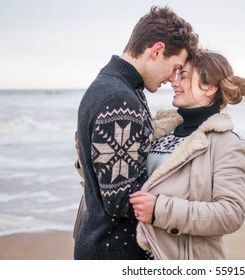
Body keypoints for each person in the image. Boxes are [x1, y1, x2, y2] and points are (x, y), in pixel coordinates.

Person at [74, 6, 199, 260]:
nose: (172, 78)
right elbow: (120, 198)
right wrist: (189, 201)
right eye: (174, 67)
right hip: (114, 251)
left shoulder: (113, 85)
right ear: (157, 50)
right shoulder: (120, 101)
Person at [129, 50, 245, 259]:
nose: (174, 82)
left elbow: (231, 213)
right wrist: (90, 156)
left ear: (209, 87)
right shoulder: (156, 131)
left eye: (183, 76)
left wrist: (160, 210)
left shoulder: (227, 144)